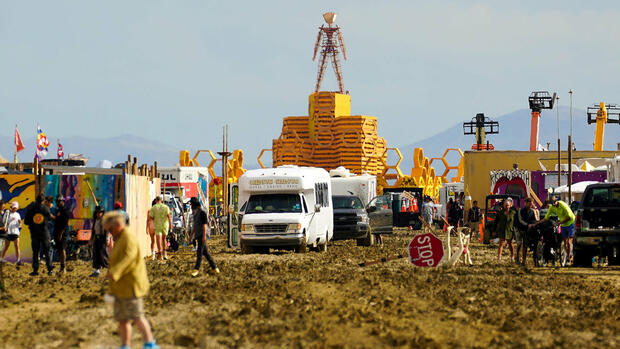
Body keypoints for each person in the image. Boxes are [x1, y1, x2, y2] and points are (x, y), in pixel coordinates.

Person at [103, 211, 159, 349]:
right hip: (121, 287)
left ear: (118, 225)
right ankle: (125, 345)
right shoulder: (120, 238)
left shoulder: (128, 237)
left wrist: (114, 272)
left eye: (110, 229)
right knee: (122, 319)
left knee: (137, 316)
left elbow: (129, 258)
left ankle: (150, 343)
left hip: (132, 285)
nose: (110, 232)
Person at [536, 197, 575, 264]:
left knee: (569, 242)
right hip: (563, 224)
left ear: (557, 201)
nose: (553, 205)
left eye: (554, 203)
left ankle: (569, 257)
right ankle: (566, 257)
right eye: (552, 204)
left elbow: (570, 217)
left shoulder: (563, 205)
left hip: (570, 222)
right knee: (565, 242)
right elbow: (546, 218)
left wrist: (560, 222)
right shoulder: (551, 208)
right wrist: (537, 223)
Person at [24, 194, 53, 276]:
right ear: (43, 201)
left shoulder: (31, 208)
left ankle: (35, 270)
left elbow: (26, 222)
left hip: (34, 233)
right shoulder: (46, 209)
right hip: (44, 233)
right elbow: (50, 219)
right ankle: (50, 269)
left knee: (35, 252)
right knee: (47, 251)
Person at [189, 197, 219, 277]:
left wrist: (204, 236)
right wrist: (191, 235)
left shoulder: (202, 213)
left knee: (199, 252)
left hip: (202, 234)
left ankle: (196, 269)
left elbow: (204, 225)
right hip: (198, 235)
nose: (190, 206)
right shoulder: (195, 213)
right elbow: (195, 226)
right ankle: (214, 268)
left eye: (191, 204)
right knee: (205, 253)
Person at [515, 198, 538, 266]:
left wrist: (536, 211)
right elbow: (520, 220)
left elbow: (536, 220)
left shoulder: (532, 211)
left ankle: (523, 261)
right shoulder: (520, 210)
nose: (530, 205)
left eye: (531, 204)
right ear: (525, 203)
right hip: (519, 228)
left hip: (527, 230)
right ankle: (517, 257)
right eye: (529, 203)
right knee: (519, 244)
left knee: (525, 245)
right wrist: (528, 225)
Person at [149, 196, 172, 261]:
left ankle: (160, 254)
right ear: (161, 200)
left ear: (156, 200)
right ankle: (165, 253)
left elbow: (151, 218)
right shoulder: (166, 207)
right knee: (164, 239)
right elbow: (169, 217)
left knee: (158, 240)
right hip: (165, 225)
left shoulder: (153, 208)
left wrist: (150, 227)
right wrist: (171, 225)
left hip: (157, 225)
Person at [90, 206, 110, 277]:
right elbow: (93, 231)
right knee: (96, 255)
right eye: (97, 213)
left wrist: (107, 239)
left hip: (102, 239)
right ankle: (96, 271)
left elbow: (107, 231)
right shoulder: (95, 220)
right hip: (97, 239)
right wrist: (91, 240)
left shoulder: (104, 221)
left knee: (103, 255)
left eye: (100, 213)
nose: (99, 214)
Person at [53, 197, 70, 274]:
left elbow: (64, 223)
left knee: (62, 249)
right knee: (59, 249)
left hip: (62, 233)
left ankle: (63, 267)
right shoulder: (58, 210)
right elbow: (57, 220)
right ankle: (61, 266)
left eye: (60, 201)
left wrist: (60, 234)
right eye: (57, 201)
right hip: (57, 231)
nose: (58, 202)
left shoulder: (65, 210)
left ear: (63, 201)